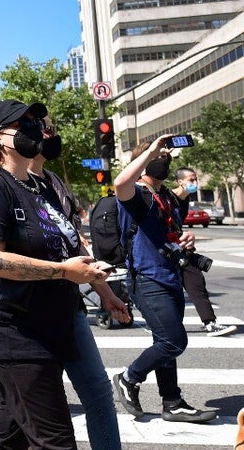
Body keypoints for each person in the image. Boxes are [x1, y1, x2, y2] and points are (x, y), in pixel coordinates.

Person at [0, 100, 109, 449]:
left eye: (35, 123)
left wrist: (98, 281)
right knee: (55, 441)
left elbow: (66, 243)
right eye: (24, 126)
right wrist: (62, 271)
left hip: (50, 324)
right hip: (18, 333)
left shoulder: (39, 186)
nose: (36, 130)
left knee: (10, 435)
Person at [29, 106, 127, 450]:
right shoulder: (5, 185)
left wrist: (105, 293)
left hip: (69, 309)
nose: (50, 135)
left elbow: (75, 244)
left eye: (51, 128)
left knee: (99, 392)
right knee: (26, 412)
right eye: (41, 129)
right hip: (27, 317)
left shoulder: (54, 182)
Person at [111, 138, 218, 424]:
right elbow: (119, 183)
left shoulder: (167, 196)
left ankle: (172, 401)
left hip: (171, 275)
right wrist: (150, 151)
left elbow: (173, 230)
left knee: (164, 341)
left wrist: (187, 238)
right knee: (173, 341)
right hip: (147, 278)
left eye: (167, 158)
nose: (164, 161)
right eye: (159, 156)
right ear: (144, 161)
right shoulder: (135, 194)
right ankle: (128, 378)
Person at [171, 167, 235, 337]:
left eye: (196, 179)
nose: (195, 183)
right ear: (180, 182)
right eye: (191, 180)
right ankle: (166, 326)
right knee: (169, 291)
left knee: (197, 283)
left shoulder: (185, 199)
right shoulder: (168, 198)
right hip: (165, 251)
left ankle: (210, 323)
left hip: (181, 250)